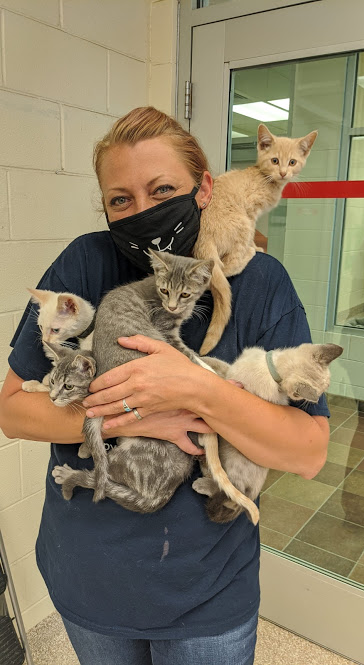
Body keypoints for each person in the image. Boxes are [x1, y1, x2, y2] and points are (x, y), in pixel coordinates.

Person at [0, 107, 330, 665]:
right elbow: (12, 411)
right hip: (88, 579)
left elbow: (308, 451)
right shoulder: (86, 261)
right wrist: (137, 415)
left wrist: (199, 394)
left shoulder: (262, 282)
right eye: (120, 200)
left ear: (204, 188)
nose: (142, 212)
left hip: (206, 597)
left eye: (163, 190)